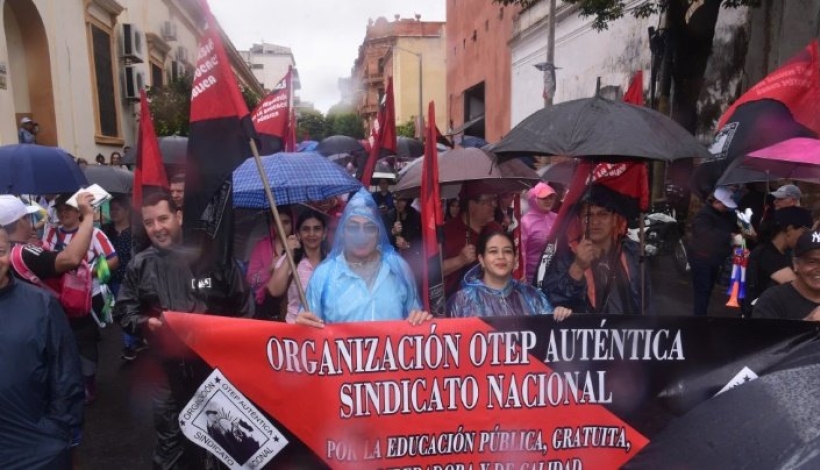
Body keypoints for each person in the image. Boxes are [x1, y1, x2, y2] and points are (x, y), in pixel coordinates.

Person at [115, 192, 253, 469]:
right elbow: (123, 310)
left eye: (163, 218)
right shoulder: (140, 265)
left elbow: (245, 305)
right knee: (171, 442)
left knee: (224, 439)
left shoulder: (212, 258)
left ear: (178, 216)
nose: (157, 228)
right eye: (150, 222)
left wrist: (233, 348)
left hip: (214, 370)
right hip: (165, 371)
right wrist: (144, 323)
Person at [0, 227, 84, 469]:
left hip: (39, 451)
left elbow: (66, 374)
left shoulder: (41, 304)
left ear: (10, 253)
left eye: (0, 251)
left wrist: (56, 433)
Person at [295, 189, 430, 326]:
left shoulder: (398, 269)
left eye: (369, 228)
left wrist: (419, 319)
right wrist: (303, 327)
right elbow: (310, 334)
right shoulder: (323, 276)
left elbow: (415, 323)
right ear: (343, 232)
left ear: (379, 233)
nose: (361, 236)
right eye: (353, 228)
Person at [44, 194, 120, 403]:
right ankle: (69, 381)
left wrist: (89, 273)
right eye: (59, 209)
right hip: (58, 299)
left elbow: (113, 260)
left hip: (87, 298)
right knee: (62, 341)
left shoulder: (94, 233)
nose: (63, 212)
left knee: (85, 341)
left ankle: (88, 383)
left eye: (68, 208)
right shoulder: (50, 234)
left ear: (79, 211)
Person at [542, 184, 651, 315]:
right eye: (588, 215)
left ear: (615, 219)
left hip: (628, 332)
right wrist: (577, 267)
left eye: (602, 214)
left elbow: (647, 302)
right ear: (579, 220)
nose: (595, 222)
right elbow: (549, 301)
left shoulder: (632, 252)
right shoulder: (565, 255)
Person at [448, 230, 572, 319]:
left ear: (515, 258)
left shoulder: (532, 296)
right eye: (493, 251)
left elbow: (550, 335)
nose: (501, 257)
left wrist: (559, 315)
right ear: (481, 259)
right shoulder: (461, 301)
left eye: (507, 251)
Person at [743, 207, 813, 316]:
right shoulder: (767, 254)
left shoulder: (784, 253)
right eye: (804, 232)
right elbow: (795, 285)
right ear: (789, 230)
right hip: (763, 317)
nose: (805, 237)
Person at [102, 196, 146, 360]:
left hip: (129, 279)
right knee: (117, 313)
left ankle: (130, 345)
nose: (113, 212)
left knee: (126, 310)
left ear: (127, 211)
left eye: (117, 209)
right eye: (111, 208)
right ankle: (136, 340)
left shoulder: (135, 232)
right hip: (110, 278)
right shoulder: (106, 230)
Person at [442, 182, 504, 297]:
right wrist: (459, 260)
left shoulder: (495, 229)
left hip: (493, 301)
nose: (494, 205)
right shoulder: (447, 231)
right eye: (488, 201)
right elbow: (432, 272)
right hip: (457, 305)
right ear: (471, 205)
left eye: (494, 200)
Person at [267, 209, 328, 323]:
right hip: (295, 329)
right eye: (306, 229)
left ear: (324, 234)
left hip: (326, 329)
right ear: (298, 234)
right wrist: (289, 254)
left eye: (317, 229)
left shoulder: (332, 263)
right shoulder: (290, 260)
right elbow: (274, 291)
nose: (311, 234)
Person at [688, 187, 739, 316]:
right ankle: (699, 318)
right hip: (701, 258)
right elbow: (704, 234)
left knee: (708, 288)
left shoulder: (728, 215)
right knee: (702, 290)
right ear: (717, 202)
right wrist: (729, 236)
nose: (727, 208)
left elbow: (734, 225)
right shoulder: (704, 215)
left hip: (715, 258)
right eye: (725, 205)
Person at [754, 229, 820, 321]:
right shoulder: (773, 300)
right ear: (796, 264)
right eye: (812, 262)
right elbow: (761, 335)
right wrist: (807, 324)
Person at [246, 207, 294, 320]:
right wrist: (268, 269)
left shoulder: (298, 245)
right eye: (277, 222)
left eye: (286, 222)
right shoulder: (262, 246)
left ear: (293, 222)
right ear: (272, 224)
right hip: (266, 306)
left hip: (292, 306)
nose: (281, 227)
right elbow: (250, 280)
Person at [521, 182, 558, 284]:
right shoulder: (526, 222)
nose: (548, 201)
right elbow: (522, 252)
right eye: (544, 198)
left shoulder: (557, 218)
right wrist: (522, 275)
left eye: (551, 197)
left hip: (554, 275)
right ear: (534, 199)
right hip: (532, 276)